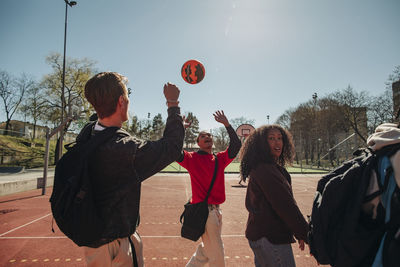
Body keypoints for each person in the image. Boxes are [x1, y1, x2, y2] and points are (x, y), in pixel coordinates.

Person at [81, 72, 184, 267]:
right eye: (127, 96)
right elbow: (172, 148)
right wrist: (173, 103)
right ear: (121, 101)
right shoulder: (125, 148)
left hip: (92, 242)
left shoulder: (86, 137)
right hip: (117, 243)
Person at [177, 110, 241, 267]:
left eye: (209, 136)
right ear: (198, 143)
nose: (207, 137)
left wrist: (227, 125)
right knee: (217, 254)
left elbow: (236, 145)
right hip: (204, 212)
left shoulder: (219, 159)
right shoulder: (191, 158)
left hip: (217, 212)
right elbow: (173, 150)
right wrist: (181, 130)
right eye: (203, 136)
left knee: (207, 251)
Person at [239, 125, 308, 267]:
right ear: (262, 144)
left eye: (279, 138)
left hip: (262, 235)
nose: (277, 143)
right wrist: (305, 234)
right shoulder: (266, 169)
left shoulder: (267, 168)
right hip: (271, 238)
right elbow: (286, 205)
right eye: (271, 139)